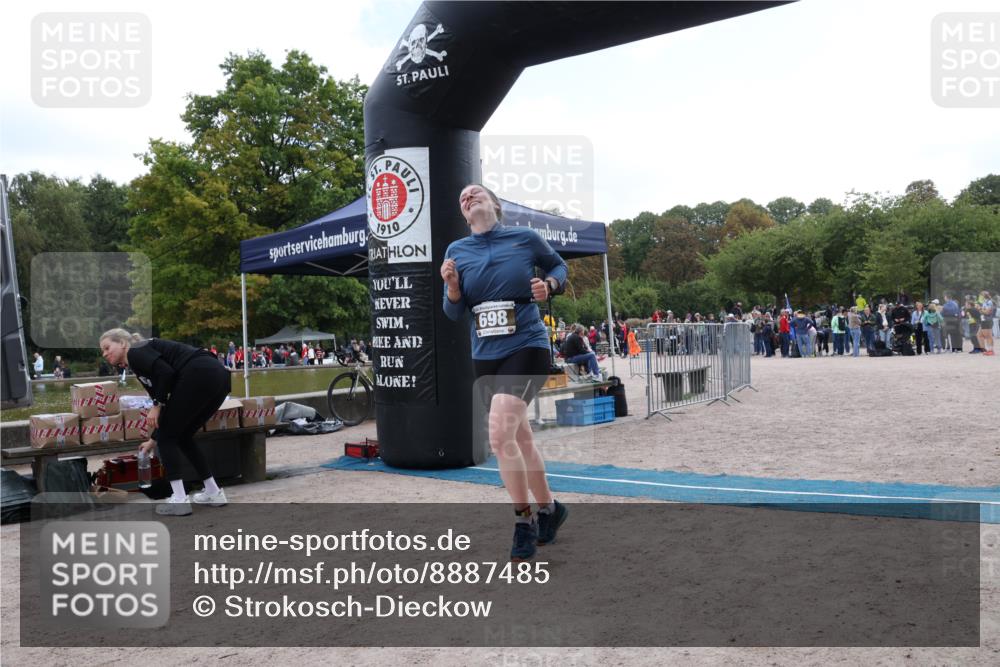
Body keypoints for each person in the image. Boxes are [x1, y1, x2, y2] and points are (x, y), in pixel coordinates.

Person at [441, 183, 569, 561]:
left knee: (498, 436)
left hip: (527, 345)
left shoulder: (524, 238)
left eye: (475, 192)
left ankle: (523, 520)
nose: (467, 197)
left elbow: (558, 266)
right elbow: (453, 312)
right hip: (485, 353)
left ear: (493, 204)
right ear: (463, 214)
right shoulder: (456, 252)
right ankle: (550, 509)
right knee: (520, 439)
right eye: (462, 196)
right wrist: (451, 288)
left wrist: (549, 285)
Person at [99, 328, 231, 516]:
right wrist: (153, 439)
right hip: (218, 376)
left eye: (106, 347)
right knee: (183, 436)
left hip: (198, 373)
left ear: (122, 343)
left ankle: (179, 499)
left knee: (168, 438)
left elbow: (166, 374)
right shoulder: (140, 360)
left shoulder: (135, 351)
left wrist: (156, 405)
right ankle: (214, 492)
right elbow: (168, 402)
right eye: (102, 351)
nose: (104, 354)